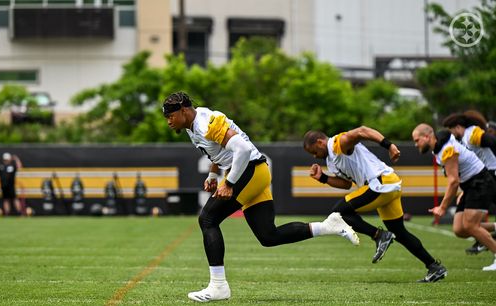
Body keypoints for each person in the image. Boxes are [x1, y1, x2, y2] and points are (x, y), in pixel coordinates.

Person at [163, 92, 359, 302]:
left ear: (183, 111)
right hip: (253, 171)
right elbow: (219, 150)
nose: (168, 121)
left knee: (208, 219)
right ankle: (329, 226)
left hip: (250, 170)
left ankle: (218, 286)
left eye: (170, 116)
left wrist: (229, 183)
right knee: (268, 236)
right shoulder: (194, 123)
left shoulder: (204, 123)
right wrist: (213, 174)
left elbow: (243, 149)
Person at [303, 126, 447, 282]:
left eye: (314, 152)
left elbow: (362, 131)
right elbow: (346, 184)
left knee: (338, 214)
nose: (314, 157)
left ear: (319, 142)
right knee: (400, 233)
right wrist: (323, 178)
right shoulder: (331, 160)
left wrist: (389, 145)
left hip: (379, 183)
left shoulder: (336, 143)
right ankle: (434, 267)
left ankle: (379, 236)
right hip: (385, 185)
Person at [412, 123, 496, 271]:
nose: (415, 144)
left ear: (427, 137)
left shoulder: (447, 149)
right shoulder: (438, 147)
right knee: (460, 229)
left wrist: (442, 207)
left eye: (417, 140)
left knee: (471, 225)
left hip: (480, 182)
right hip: (469, 185)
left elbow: (453, 181)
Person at [442, 112, 496, 255]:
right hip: (484, 176)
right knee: (463, 227)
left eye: (451, 130)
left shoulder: (471, 133)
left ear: (458, 127)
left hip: (492, 174)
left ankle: (485, 242)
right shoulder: (463, 140)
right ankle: (485, 239)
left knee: (470, 225)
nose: (451, 135)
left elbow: (491, 141)